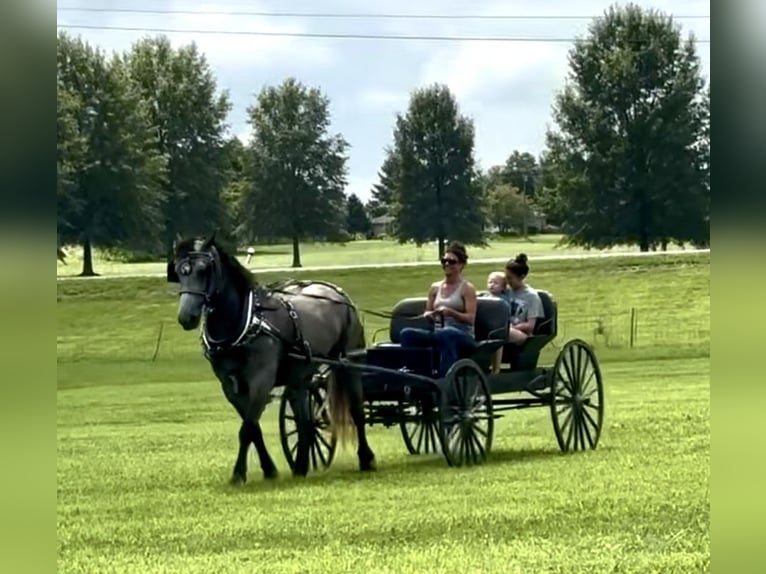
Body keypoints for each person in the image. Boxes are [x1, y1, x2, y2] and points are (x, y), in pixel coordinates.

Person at [399, 241, 478, 377]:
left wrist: (451, 313)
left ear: (461, 265)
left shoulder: (467, 289)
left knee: (447, 333)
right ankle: (415, 375)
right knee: (407, 333)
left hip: (462, 335)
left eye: (452, 261)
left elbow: (470, 319)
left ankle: (445, 378)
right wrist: (429, 315)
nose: (447, 264)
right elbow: (427, 311)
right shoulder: (435, 288)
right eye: (444, 261)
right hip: (438, 332)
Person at [504, 253, 545, 346]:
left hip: (523, 334)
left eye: (510, 278)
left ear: (522, 277)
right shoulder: (506, 292)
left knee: (502, 333)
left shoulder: (532, 296)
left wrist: (512, 327)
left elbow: (530, 326)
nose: (507, 281)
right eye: (506, 277)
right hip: (505, 329)